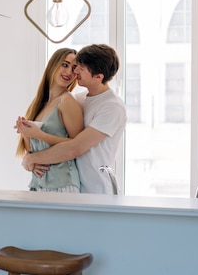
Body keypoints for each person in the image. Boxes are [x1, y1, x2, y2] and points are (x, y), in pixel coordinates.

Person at [22, 44, 127, 194]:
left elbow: (75, 147)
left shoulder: (112, 107)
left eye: (81, 68)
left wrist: (32, 159)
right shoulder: (79, 99)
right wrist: (29, 155)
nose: (75, 71)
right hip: (71, 184)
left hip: (97, 189)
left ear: (98, 77)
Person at [15, 48, 83, 192]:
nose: (69, 72)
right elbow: (32, 150)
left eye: (74, 69)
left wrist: (39, 135)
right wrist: (25, 133)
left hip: (62, 184)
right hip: (38, 184)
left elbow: (77, 146)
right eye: (65, 65)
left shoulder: (67, 101)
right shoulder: (40, 103)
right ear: (53, 64)